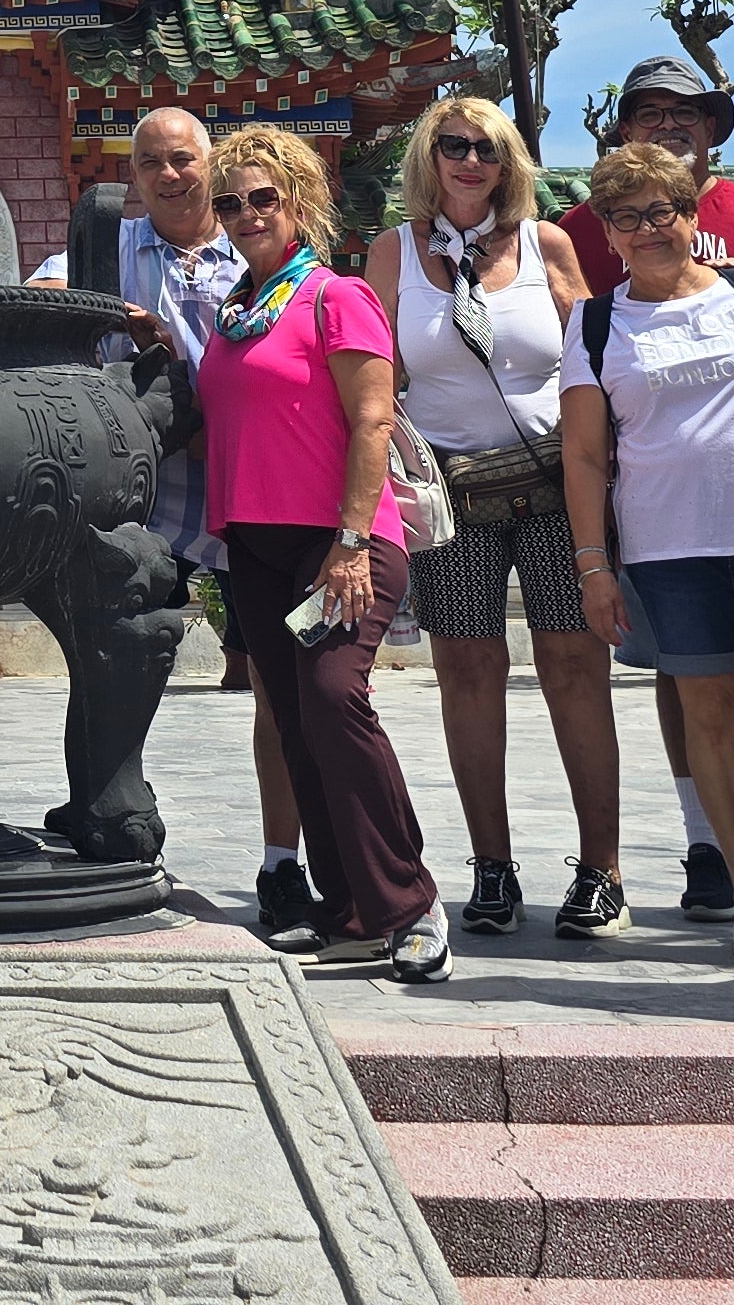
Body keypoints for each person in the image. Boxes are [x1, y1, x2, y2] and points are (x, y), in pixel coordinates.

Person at [552, 57, 734, 927]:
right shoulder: (595, 319)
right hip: (669, 544)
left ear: (694, 213)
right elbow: (585, 453)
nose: (648, 228)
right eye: (627, 217)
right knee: (708, 714)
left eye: (663, 213)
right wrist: (594, 564)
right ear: (606, 232)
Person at [194, 120, 447, 985]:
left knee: (337, 700)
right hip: (255, 546)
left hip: (338, 541)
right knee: (297, 721)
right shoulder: (237, 313)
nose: (246, 214)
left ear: (299, 200)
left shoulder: (336, 296)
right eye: (229, 203)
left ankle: (410, 906)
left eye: (263, 197)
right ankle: (349, 913)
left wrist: (350, 542)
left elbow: (372, 420)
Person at [370, 95, 621, 942]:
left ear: (510, 162)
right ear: (429, 156)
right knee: (467, 674)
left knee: (574, 669)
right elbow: (379, 375)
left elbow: (594, 357)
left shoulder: (547, 245)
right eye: (454, 145)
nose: (471, 161)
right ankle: (492, 864)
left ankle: (602, 868)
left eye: (488, 148)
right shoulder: (394, 252)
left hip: (555, 485)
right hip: (453, 495)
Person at [112, 110, 316, 942]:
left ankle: (283, 862)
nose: (170, 176)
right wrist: (110, 309)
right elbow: (40, 293)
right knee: (118, 667)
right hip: (151, 501)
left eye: (183, 159)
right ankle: (108, 820)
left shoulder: (258, 251)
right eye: (151, 163)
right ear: (133, 176)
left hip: (256, 493)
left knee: (281, 687)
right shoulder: (111, 248)